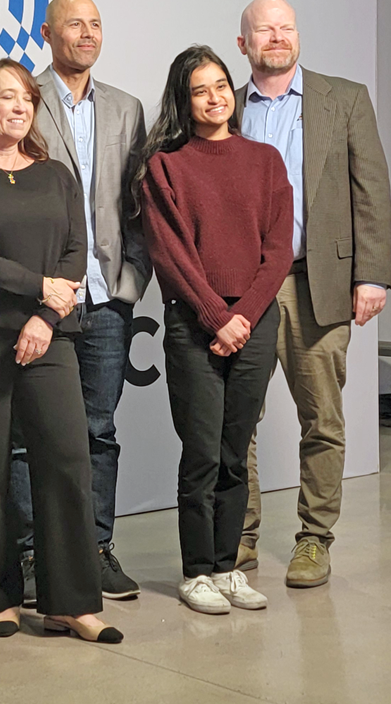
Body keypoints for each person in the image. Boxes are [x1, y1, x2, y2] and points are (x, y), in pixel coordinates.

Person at [0, 59, 123, 644]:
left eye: (26, 98)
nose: (19, 107)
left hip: (50, 337)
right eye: (5, 97)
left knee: (67, 461)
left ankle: (71, 602)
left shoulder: (56, 176)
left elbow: (74, 255)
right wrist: (35, 288)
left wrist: (46, 314)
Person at [233, 0, 391, 588]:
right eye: (264, 30)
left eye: (287, 28)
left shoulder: (343, 99)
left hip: (315, 282)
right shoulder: (226, 105)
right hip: (244, 288)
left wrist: (371, 274)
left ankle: (313, 539)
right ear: (242, 42)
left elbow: (371, 189)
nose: (278, 37)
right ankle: (239, 538)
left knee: (321, 417)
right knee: (238, 418)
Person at [138, 45, 293, 615]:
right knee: (201, 453)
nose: (214, 97)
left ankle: (228, 568)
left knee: (234, 453)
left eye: (221, 85)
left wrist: (244, 317)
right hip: (194, 323)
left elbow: (278, 251)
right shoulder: (166, 166)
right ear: (184, 98)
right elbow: (170, 254)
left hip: (252, 320)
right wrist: (215, 317)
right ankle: (196, 572)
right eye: (200, 89)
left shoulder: (266, 161)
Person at [9, 0, 152, 605]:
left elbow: (141, 204)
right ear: (47, 33)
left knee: (100, 429)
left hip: (109, 299)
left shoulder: (126, 107)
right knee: (28, 435)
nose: (89, 33)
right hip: (45, 300)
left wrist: (131, 283)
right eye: (75, 23)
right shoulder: (25, 99)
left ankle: (94, 548)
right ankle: (34, 555)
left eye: (96, 23)